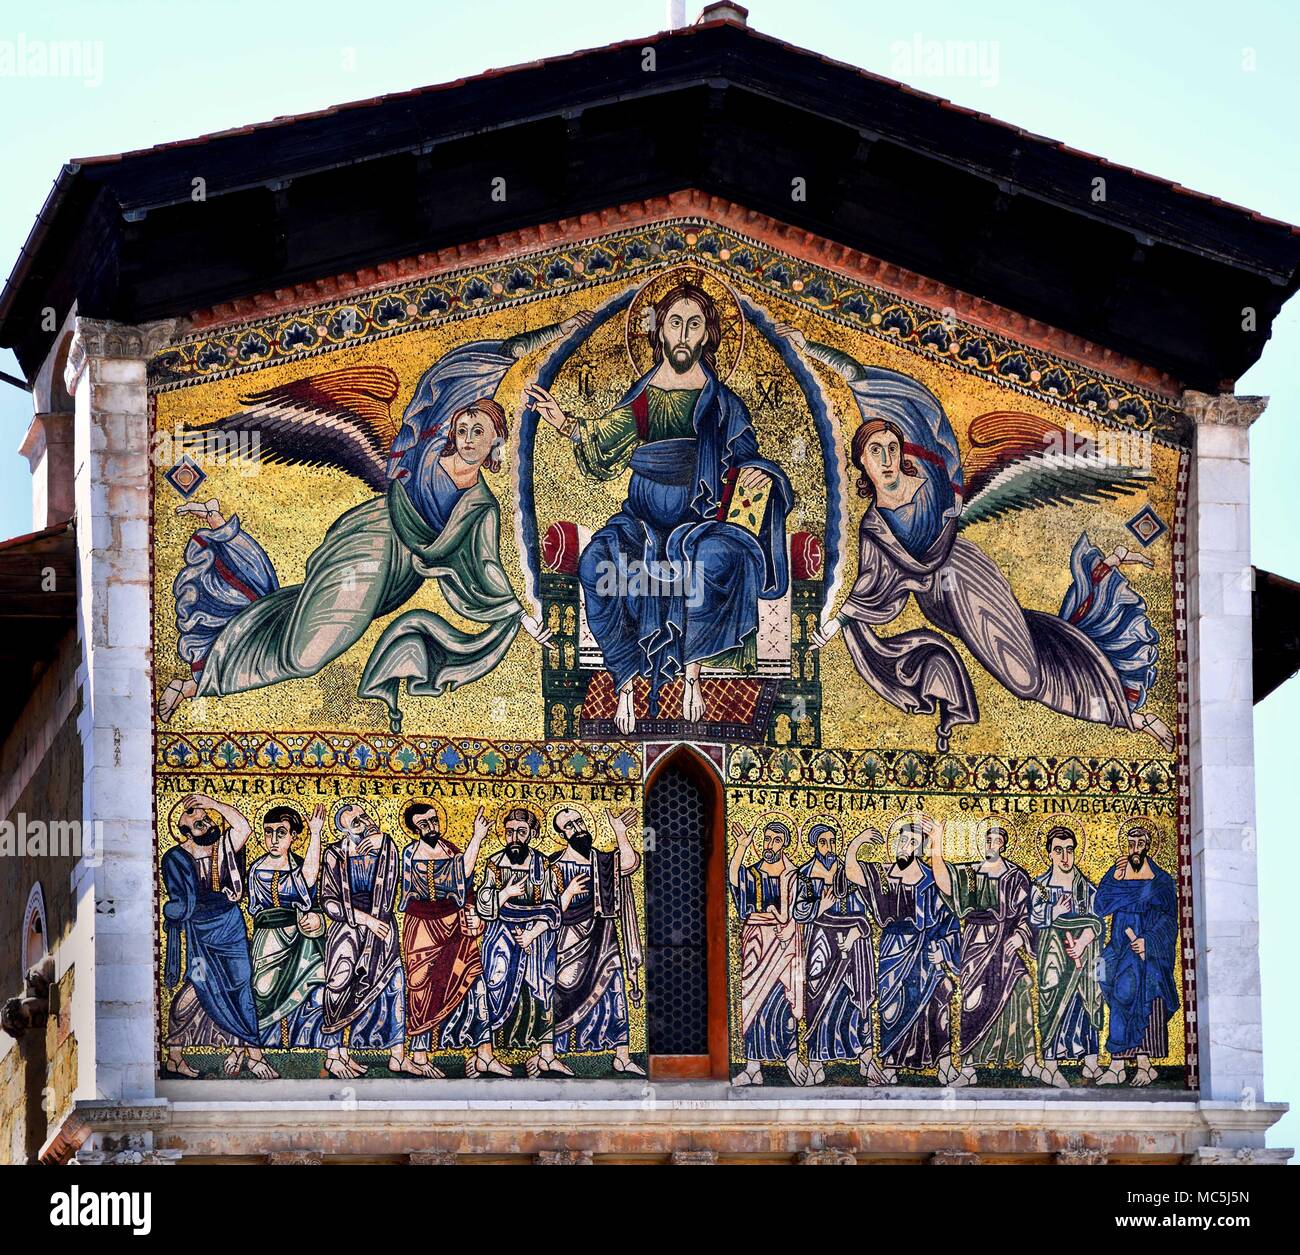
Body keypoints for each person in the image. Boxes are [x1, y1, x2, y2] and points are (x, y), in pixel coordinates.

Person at [157, 318, 594, 729]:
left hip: (398, 578)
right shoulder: (420, 456)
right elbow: (476, 370)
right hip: (370, 544)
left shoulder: (480, 506)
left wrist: (521, 618)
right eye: (463, 426)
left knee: (301, 628)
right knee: (308, 654)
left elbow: (485, 567)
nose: (467, 437)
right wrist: (551, 332)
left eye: (479, 431)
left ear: (496, 444)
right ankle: (201, 680)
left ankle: (224, 567)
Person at [780, 327, 1172, 755]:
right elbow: (872, 587)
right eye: (876, 451)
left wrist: (809, 346)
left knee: (1024, 679)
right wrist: (835, 625)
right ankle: (1113, 674)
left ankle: (1127, 713)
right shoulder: (875, 525)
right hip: (941, 606)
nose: (888, 458)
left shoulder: (929, 487)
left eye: (893, 447)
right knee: (1028, 661)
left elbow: (859, 375)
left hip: (967, 575)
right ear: (862, 463)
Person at [526, 274, 792, 730]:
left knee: (711, 562)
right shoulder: (645, 398)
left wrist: (756, 473)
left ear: (708, 333)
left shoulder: (724, 405)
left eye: (693, 325)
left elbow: (748, 460)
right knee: (596, 564)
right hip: (641, 522)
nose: (683, 335)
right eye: (674, 323)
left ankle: (691, 678)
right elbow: (605, 440)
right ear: (660, 331)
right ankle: (626, 683)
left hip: (703, 522)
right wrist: (565, 421)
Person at [161, 794, 271, 1078]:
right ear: (183, 828)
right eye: (195, 820)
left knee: (242, 982)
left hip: (231, 927)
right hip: (199, 934)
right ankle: (174, 1053)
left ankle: (254, 1053)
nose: (203, 820)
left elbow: (243, 829)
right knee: (198, 984)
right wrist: (176, 910)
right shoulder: (175, 858)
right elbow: (177, 899)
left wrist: (211, 802)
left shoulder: (223, 847)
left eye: (205, 817)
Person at [845, 817, 958, 1080]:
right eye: (902, 840)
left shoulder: (931, 879)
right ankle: (892, 1065)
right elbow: (852, 872)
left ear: (920, 850)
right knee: (891, 1006)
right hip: (893, 949)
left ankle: (943, 1064)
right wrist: (856, 844)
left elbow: (949, 906)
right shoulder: (884, 875)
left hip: (925, 949)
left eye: (913, 843)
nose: (905, 846)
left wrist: (943, 949)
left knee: (936, 1000)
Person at [930, 821, 1036, 1086]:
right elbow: (945, 884)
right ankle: (968, 1066)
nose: (992, 845)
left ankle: (1028, 1060)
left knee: (1022, 984)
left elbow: (1027, 914)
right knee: (971, 1001)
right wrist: (937, 844)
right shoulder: (974, 875)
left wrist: (1021, 936)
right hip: (976, 945)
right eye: (988, 840)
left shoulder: (1015, 876)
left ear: (1003, 844)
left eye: (997, 840)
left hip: (1005, 945)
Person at [398, 801, 496, 1078]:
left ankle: (484, 1055)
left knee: (473, 980)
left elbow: (465, 880)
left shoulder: (451, 850)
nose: (431, 826)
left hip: (455, 925)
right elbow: (454, 874)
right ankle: (419, 1055)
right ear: (414, 829)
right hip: (421, 928)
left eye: (432, 820)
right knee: (420, 987)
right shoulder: (408, 854)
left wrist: (477, 837)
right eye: (423, 824)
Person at [548, 806, 644, 1074]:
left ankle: (621, 1055)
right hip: (567, 940)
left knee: (614, 990)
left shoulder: (601, 860)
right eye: (569, 826)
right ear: (560, 834)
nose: (577, 828)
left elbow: (629, 863)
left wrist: (620, 832)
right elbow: (545, 905)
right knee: (563, 993)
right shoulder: (553, 865)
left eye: (579, 821)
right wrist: (566, 894)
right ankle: (557, 1051)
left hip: (603, 938)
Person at [318, 802, 410, 1077]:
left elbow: (396, 874)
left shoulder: (385, 849)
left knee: (394, 984)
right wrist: (365, 920)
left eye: (364, 815)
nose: (364, 822)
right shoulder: (334, 854)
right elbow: (329, 902)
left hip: (382, 928)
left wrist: (383, 841)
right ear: (345, 832)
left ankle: (398, 1056)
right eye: (355, 822)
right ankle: (335, 1054)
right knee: (339, 984)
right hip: (348, 927)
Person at [475, 807, 564, 1076]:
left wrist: (531, 934)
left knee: (543, 989)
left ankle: (544, 1055)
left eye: (521, 832)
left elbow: (552, 909)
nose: (514, 837)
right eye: (510, 832)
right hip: (500, 936)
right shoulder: (494, 863)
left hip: (536, 940)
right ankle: (485, 1054)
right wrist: (505, 893)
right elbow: (483, 903)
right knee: (493, 984)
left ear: (533, 834)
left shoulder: (544, 866)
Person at [247, 803, 338, 1055]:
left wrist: (316, 833)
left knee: (320, 981)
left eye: (281, 832)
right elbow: (257, 910)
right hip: (268, 942)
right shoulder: (255, 869)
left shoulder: (301, 865)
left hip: (301, 940)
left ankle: (321, 1049)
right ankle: (259, 1051)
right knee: (263, 990)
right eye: (268, 831)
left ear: (293, 836)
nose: (273, 839)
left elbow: (310, 884)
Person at [1093, 823, 1179, 1087]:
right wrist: (1114, 880)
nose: (1135, 849)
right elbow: (1100, 906)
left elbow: (1169, 920)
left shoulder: (1161, 881)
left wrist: (1149, 942)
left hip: (1145, 951)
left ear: (1148, 846)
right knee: (1105, 975)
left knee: (1138, 992)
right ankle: (1120, 1065)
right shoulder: (1117, 873)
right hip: (1119, 945)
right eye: (1131, 844)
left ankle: (1140, 1064)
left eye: (1140, 844)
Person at [792, 822, 878, 1083]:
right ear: (815, 845)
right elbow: (798, 911)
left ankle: (865, 1058)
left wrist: (856, 932)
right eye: (823, 842)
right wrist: (820, 905)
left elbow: (866, 907)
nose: (828, 847)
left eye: (832, 841)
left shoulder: (848, 872)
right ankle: (817, 1061)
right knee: (818, 995)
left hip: (853, 942)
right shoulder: (805, 873)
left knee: (854, 998)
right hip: (821, 940)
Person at [729, 817, 804, 1085]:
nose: (769, 845)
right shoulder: (753, 872)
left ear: (784, 844)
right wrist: (741, 845)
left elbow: (801, 909)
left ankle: (791, 1058)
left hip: (783, 945)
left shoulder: (793, 876)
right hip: (755, 944)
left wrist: (792, 926)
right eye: (767, 839)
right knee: (753, 1002)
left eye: (775, 840)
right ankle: (753, 1067)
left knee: (782, 1001)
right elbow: (735, 879)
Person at [1028, 825, 1103, 1086]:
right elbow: (1032, 918)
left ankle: (1091, 1061)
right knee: (1052, 1001)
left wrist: (1083, 941)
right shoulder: (1040, 886)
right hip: (1053, 956)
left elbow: (1098, 921)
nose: (1065, 857)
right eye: (1058, 850)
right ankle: (1050, 1064)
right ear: (1049, 853)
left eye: (1069, 850)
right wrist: (1054, 914)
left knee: (1089, 1000)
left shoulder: (1086, 889)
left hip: (1083, 956)